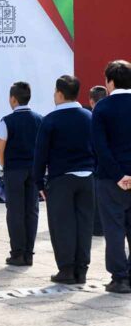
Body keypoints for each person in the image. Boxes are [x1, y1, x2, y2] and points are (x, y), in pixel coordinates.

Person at [33, 75, 95, 285]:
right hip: (87, 177)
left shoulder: (50, 120)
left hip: (61, 178)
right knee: (84, 224)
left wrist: (39, 182)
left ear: (59, 93)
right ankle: (82, 269)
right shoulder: (89, 116)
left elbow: (40, 154)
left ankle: (67, 269)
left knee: (62, 224)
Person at [91, 60, 131, 294]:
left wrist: (119, 176)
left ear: (110, 82)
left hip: (110, 179)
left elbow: (100, 147)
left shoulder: (102, 108)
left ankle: (120, 278)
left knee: (114, 229)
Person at [0, 82, 43, 266]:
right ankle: (29, 253)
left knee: (15, 211)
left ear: (13, 99)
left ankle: (17, 253)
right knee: (32, 210)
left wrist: (5, 166)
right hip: (33, 169)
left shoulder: (7, 121)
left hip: (14, 169)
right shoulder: (40, 119)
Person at [89, 85, 108, 237]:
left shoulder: (90, 117)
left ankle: (97, 227)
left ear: (91, 101)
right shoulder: (113, 114)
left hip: (94, 166)